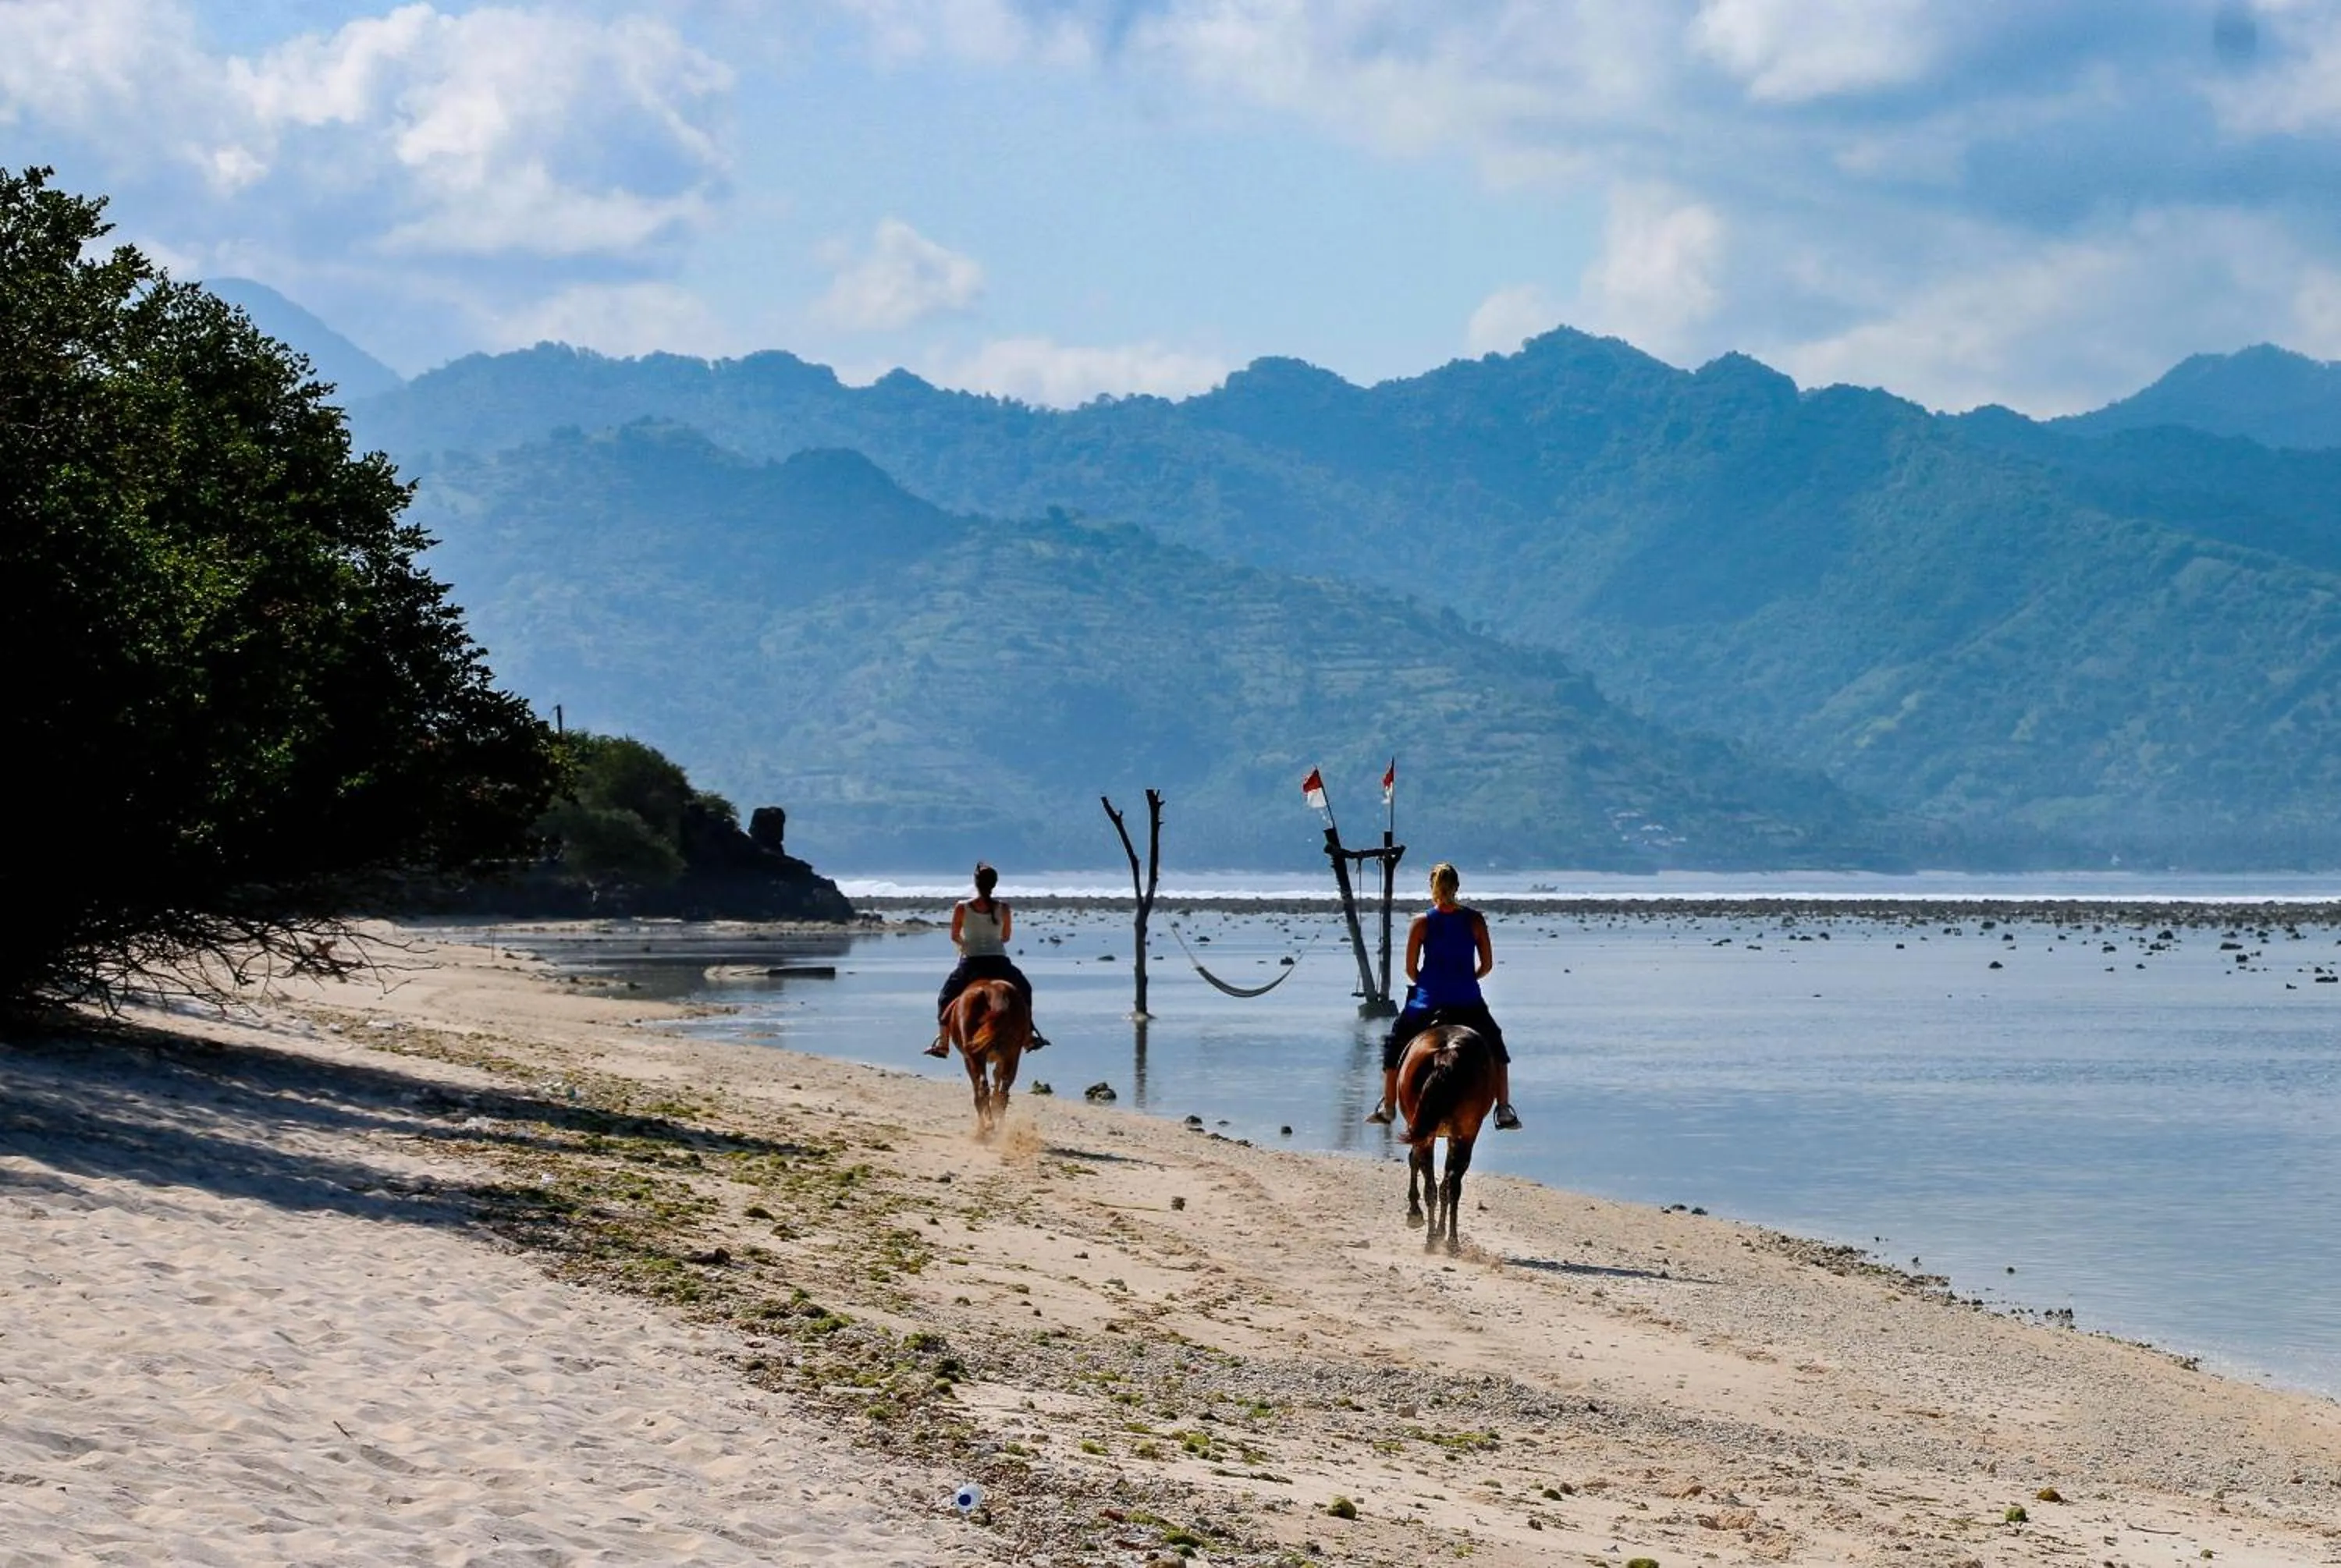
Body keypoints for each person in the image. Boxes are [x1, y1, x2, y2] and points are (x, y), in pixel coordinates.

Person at [1366, 862, 1522, 1130]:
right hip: (1467, 1000)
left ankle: (1389, 1105)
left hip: (1427, 1000)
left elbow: (1410, 969)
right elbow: (1487, 966)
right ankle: (1504, 1108)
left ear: (1432, 888)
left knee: (1395, 1043)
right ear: (1457, 887)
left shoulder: (1421, 922)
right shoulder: (1475, 920)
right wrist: (1466, 979)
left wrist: (1429, 984)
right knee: (1496, 1047)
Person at [925, 863, 1046, 1057]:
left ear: (975, 883)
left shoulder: (962, 907)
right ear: (994, 884)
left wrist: (966, 943)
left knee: (945, 997)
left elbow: (954, 935)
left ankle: (943, 1043)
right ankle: (1028, 1036)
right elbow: (1006, 937)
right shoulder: (1004, 908)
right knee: (1025, 990)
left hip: (972, 962)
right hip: (999, 962)